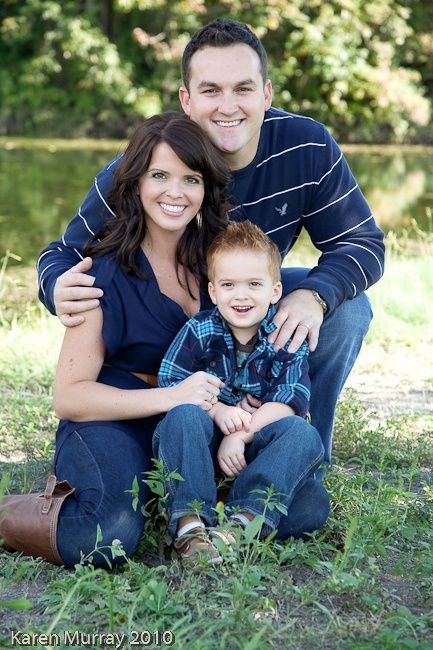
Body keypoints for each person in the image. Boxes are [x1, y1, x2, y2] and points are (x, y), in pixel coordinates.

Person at [36, 18, 384, 473]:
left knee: (349, 310)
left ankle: (299, 452)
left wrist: (314, 295)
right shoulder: (152, 165)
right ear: (186, 99)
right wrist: (55, 287)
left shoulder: (308, 147)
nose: (228, 107)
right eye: (210, 90)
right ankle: (187, 441)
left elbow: (363, 243)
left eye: (243, 89)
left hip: (244, 295)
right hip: (180, 317)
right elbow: (64, 252)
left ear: (266, 94)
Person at [0, 112, 230, 567]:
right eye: (159, 175)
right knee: (109, 533)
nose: (175, 192)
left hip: (192, 421)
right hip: (109, 417)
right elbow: (70, 396)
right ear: (136, 183)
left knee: (297, 510)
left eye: (191, 179)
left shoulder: (219, 263)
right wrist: (172, 396)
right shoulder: (100, 271)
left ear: (206, 189)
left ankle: (174, 508)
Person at [154, 221, 326, 562]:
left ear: (274, 291)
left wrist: (242, 435)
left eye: (253, 284)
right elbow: (171, 383)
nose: (241, 295)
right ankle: (191, 527)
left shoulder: (285, 335)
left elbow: (290, 400)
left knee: (304, 442)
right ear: (214, 291)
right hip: (200, 452)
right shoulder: (200, 329)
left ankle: (237, 525)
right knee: (183, 415)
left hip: (257, 458)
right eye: (229, 285)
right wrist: (218, 411)